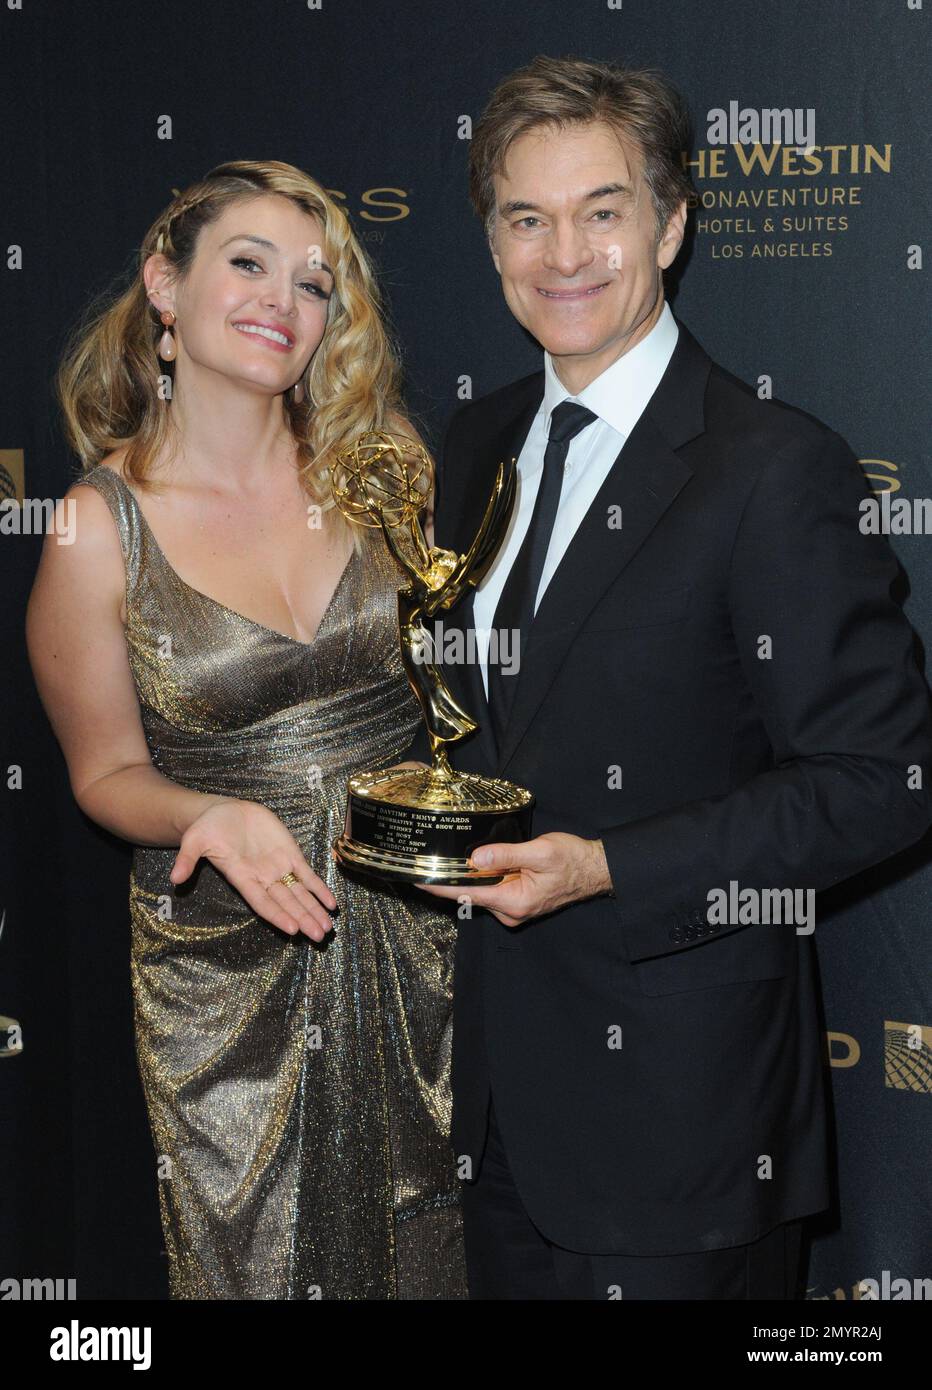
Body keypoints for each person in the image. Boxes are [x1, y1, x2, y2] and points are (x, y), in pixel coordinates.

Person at [411, 57, 932, 1299]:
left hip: (686, 1125)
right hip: (490, 1112)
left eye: (602, 210)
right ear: (489, 245)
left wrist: (609, 866)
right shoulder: (473, 440)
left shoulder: (771, 466)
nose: (562, 253)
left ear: (672, 222)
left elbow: (880, 780)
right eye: (524, 218)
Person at [26, 160, 466, 1300]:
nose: (284, 299)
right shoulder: (93, 527)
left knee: (443, 1241)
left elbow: (464, 703)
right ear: (163, 287)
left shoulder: (384, 469)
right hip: (233, 969)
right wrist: (208, 813)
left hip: (422, 933)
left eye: (315, 283)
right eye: (248, 263)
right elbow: (108, 770)